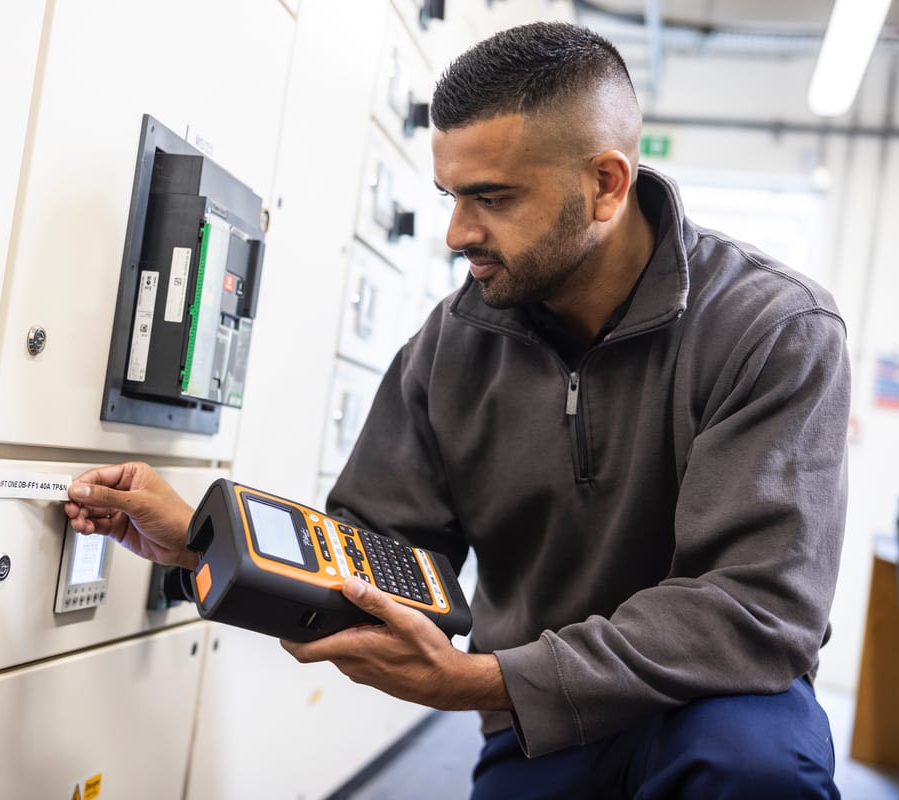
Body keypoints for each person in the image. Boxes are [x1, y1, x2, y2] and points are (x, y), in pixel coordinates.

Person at [65, 21, 849, 799]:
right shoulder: (455, 339)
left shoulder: (773, 330)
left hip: (715, 708)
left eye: (492, 198)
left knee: (755, 774)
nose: (456, 233)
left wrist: (485, 679)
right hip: (542, 728)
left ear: (606, 184)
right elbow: (380, 551)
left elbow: (751, 607)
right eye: (449, 195)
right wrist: (207, 546)